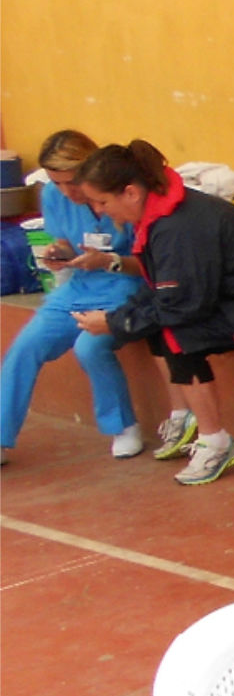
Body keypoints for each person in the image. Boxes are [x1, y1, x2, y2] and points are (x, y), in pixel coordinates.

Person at [71, 141, 234, 486]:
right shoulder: (160, 212)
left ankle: (215, 441)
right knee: (158, 324)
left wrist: (114, 323)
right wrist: (121, 314)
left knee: (179, 331)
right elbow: (162, 290)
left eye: (102, 202)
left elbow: (183, 305)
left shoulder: (178, 227)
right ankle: (183, 415)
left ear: (130, 193)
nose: (100, 211)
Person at [0, 130, 144, 465]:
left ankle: (122, 426)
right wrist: (58, 252)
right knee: (25, 347)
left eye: (73, 181)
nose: (68, 191)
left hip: (126, 286)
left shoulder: (120, 195)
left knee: (89, 346)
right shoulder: (53, 194)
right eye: (57, 182)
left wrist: (109, 261)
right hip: (79, 286)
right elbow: (67, 241)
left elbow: (151, 264)